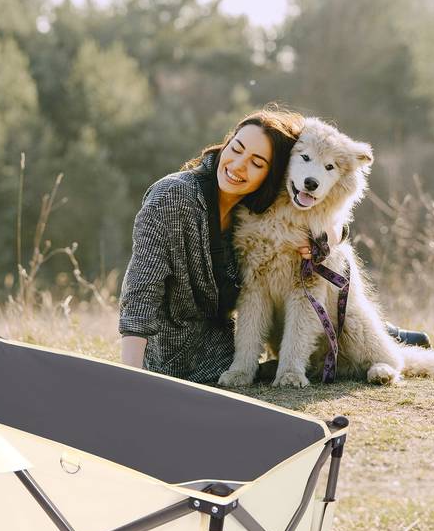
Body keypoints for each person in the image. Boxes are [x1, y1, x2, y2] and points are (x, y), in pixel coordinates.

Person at [118, 107, 309, 384]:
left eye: (257, 163)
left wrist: (330, 236)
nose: (238, 165)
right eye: (237, 148)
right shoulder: (171, 196)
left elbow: (323, 212)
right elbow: (141, 291)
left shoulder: (262, 212)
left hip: (227, 358)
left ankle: (390, 335)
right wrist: (129, 379)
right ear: (227, 142)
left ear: (271, 176)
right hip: (170, 362)